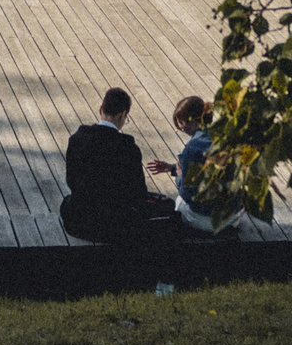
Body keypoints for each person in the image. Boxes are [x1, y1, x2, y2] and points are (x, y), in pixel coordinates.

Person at [58, 86, 177, 243]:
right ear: (123, 115)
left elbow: (71, 181)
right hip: (114, 226)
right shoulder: (128, 148)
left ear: (101, 110)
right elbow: (137, 192)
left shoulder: (77, 139)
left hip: (78, 223)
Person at [168, 96, 233, 236]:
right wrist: (171, 168)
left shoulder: (192, 148)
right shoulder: (226, 138)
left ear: (192, 122)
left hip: (206, 220)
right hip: (232, 217)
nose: (179, 127)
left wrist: (179, 176)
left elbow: (187, 193)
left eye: (181, 122)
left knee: (179, 201)